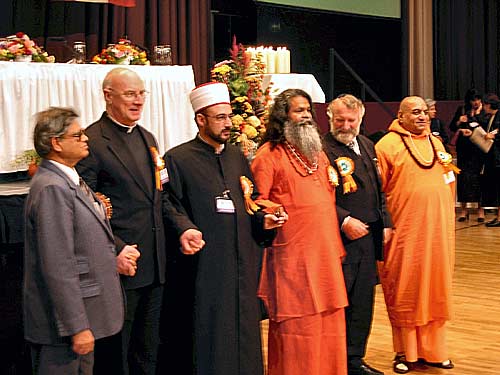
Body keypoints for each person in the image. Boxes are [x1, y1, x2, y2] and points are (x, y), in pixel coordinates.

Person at [76, 67, 201, 375]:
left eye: (142, 93)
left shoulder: (148, 138)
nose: (138, 101)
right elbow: (83, 208)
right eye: (130, 94)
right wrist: (115, 250)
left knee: (147, 352)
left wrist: (183, 227)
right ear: (108, 96)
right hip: (120, 265)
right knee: (116, 356)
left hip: (154, 264)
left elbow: (160, 197)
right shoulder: (91, 141)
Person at [162, 82, 284, 375]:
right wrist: (184, 229)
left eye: (229, 116)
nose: (228, 123)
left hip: (242, 265)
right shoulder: (178, 159)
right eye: (220, 118)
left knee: (244, 331)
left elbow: (249, 200)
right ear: (200, 120)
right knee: (210, 338)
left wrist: (263, 221)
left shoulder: (236, 156)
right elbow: (167, 203)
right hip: (205, 268)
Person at [251, 88, 349, 375]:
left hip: (325, 257)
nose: (306, 115)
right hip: (292, 259)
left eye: (308, 110)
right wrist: (272, 211)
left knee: (330, 324)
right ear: (283, 117)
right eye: (298, 110)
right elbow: (256, 200)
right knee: (298, 330)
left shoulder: (317, 153)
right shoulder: (268, 155)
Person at [24, 107, 125, 374]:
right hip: (62, 327)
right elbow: (58, 264)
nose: (86, 138)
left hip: (82, 315)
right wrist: (77, 326)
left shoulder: (67, 178)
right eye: (77, 135)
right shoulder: (52, 188)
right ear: (56, 143)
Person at [375, 96, 456, 374]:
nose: (423, 117)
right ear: (400, 115)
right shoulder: (387, 145)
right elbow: (379, 193)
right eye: (416, 112)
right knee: (406, 291)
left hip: (438, 235)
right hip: (405, 234)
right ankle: (404, 352)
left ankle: (434, 351)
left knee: (436, 290)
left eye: (425, 112)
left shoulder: (436, 143)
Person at [323, 94, 392, 375]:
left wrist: (385, 221)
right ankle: (335, 360)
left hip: (369, 239)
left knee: (363, 303)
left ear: (361, 120)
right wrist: (344, 220)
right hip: (341, 239)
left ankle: (354, 360)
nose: (346, 125)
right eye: (340, 119)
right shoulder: (321, 150)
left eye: (352, 120)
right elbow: (319, 196)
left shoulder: (366, 145)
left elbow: (379, 188)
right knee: (342, 303)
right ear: (330, 119)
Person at [449, 88, 486, 222]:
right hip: (464, 149)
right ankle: (464, 210)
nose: (475, 102)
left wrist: (477, 115)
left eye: (477, 99)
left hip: (478, 149)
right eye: (473, 100)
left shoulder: (484, 110)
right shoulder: (462, 109)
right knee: (463, 179)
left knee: (478, 179)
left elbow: (486, 127)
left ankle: (480, 210)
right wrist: (460, 122)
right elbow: (452, 127)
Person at [480, 93, 500, 227]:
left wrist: (493, 136)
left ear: (488, 104)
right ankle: (498, 216)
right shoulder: (491, 117)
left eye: (484, 105)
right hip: (493, 158)